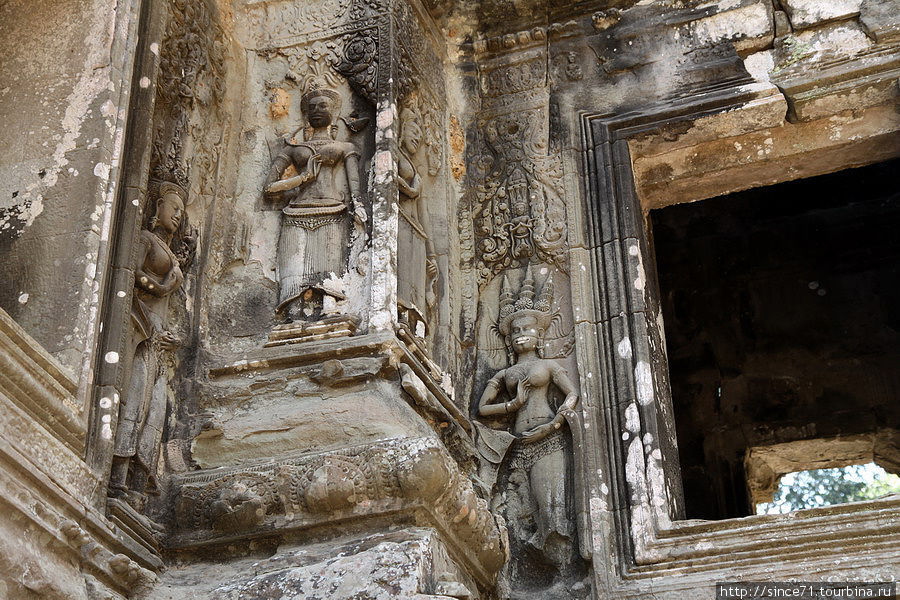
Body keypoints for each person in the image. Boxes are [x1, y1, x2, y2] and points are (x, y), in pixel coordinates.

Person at [477, 266, 578, 560]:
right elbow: (483, 409)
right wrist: (513, 405)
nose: (522, 335)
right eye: (517, 330)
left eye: (528, 329)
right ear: (509, 339)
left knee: (552, 508)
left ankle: (562, 567)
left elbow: (571, 394)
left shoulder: (547, 367)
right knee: (525, 513)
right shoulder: (506, 372)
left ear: (541, 333)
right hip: (520, 445)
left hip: (547, 439)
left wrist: (555, 424)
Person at [110, 181, 191, 507]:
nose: (177, 216)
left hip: (160, 335)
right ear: (157, 207)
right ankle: (117, 475)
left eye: (182, 212)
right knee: (136, 397)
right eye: (173, 207)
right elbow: (129, 273)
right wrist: (161, 286)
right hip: (140, 327)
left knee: (156, 408)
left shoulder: (171, 250)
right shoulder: (145, 239)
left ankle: (138, 482)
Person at [263, 87, 362, 322]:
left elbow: (355, 186)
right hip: (296, 211)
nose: (317, 111)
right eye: (312, 107)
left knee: (329, 274)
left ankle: (330, 308)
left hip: (332, 209)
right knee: (294, 275)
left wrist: (360, 208)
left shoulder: (344, 147)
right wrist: (302, 178)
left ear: (335, 112)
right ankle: (292, 315)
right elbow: (269, 188)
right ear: (305, 114)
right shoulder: (293, 149)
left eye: (323, 106)